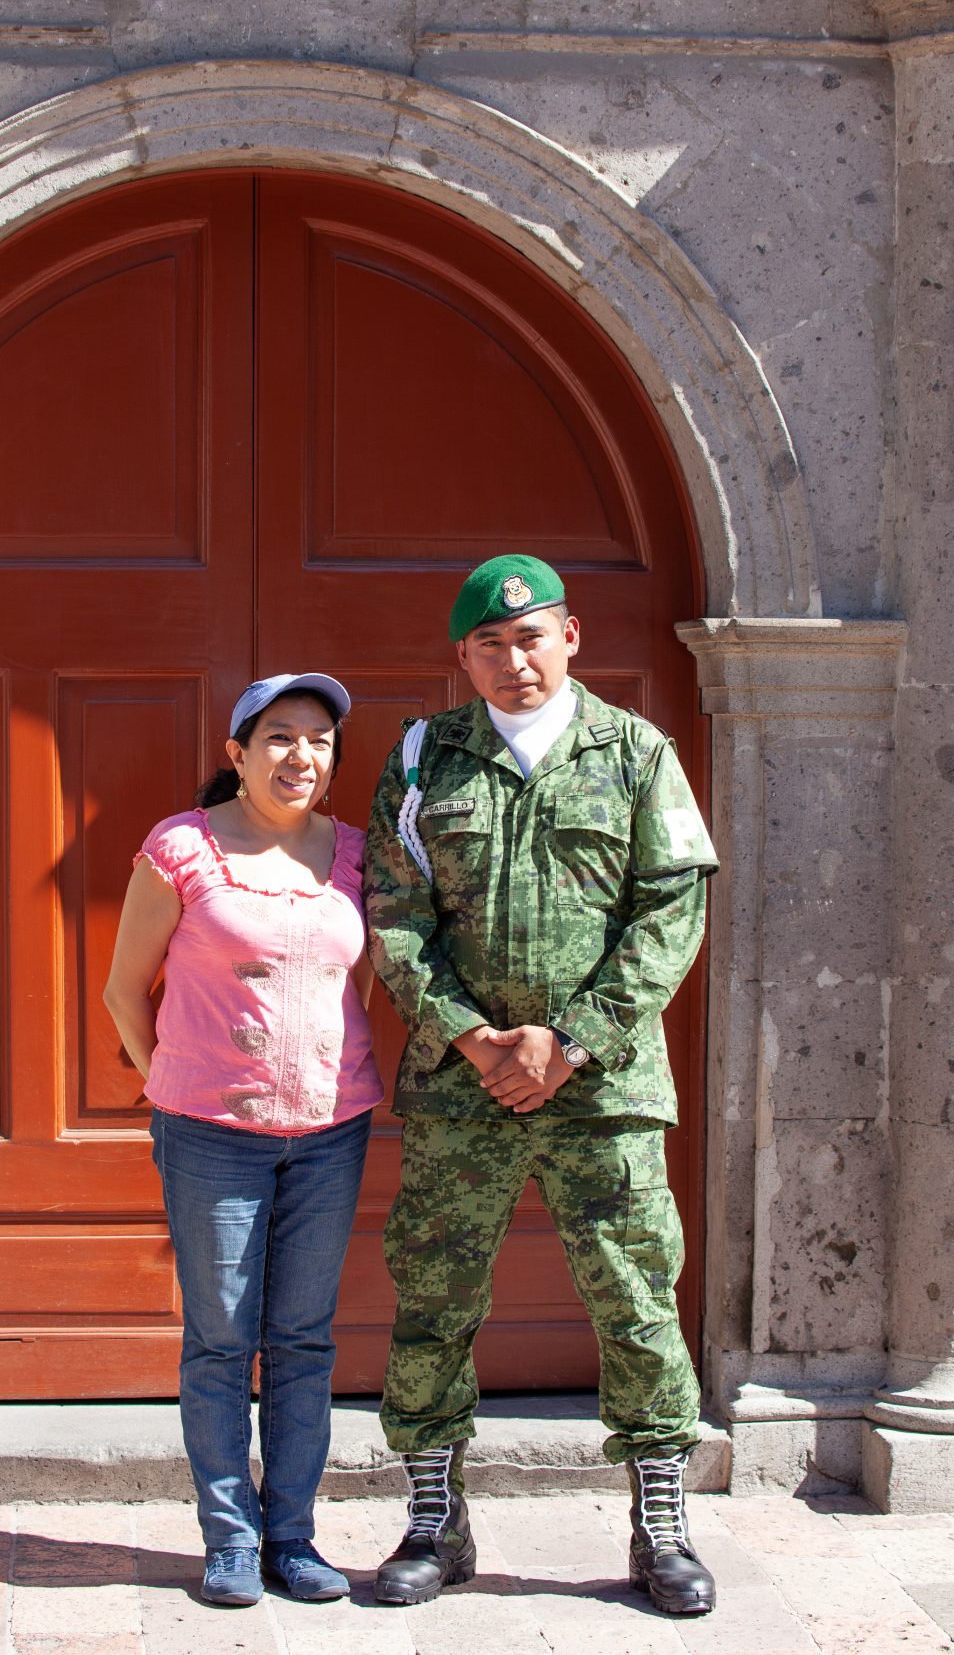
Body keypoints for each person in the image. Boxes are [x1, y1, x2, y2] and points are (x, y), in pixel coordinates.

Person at [364, 555, 719, 1618]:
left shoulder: (633, 753)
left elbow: (671, 913)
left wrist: (567, 1043)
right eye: (489, 645)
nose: (512, 660)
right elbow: (392, 914)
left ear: (570, 636)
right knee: (433, 1301)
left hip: (601, 1089)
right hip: (458, 1090)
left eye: (531, 638)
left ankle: (659, 1523)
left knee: (636, 1302)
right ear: (461, 658)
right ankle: (434, 1517)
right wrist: (475, 1041)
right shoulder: (427, 759)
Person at [104, 673, 382, 1609]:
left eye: (318, 740)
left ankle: (293, 1537)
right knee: (221, 1341)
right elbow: (122, 990)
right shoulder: (181, 847)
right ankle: (229, 1536)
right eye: (278, 737)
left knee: (302, 1340)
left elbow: (363, 986)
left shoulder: (354, 854)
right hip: (211, 1138)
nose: (299, 756)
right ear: (237, 752)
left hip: (330, 1134)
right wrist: (176, 1085)